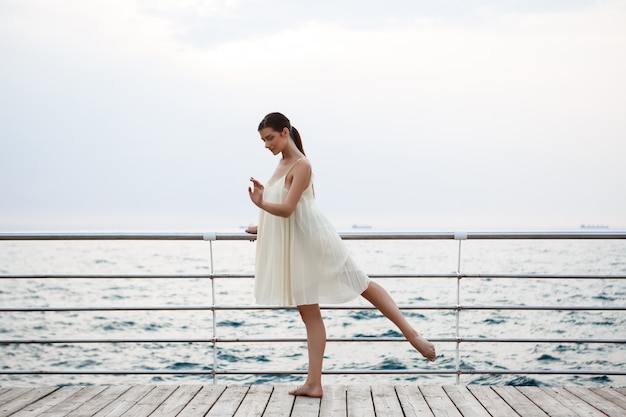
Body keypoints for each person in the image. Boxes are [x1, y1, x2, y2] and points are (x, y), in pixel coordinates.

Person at [246, 112, 435, 398]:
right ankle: (314, 383)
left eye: (269, 138)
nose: (266, 145)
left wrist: (261, 203)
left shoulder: (302, 165)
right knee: (309, 313)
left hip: (314, 239)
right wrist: (261, 225)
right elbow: (284, 210)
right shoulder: (282, 164)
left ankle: (412, 335)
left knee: (361, 284)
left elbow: (288, 209)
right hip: (297, 242)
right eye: (263, 140)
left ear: (285, 132)